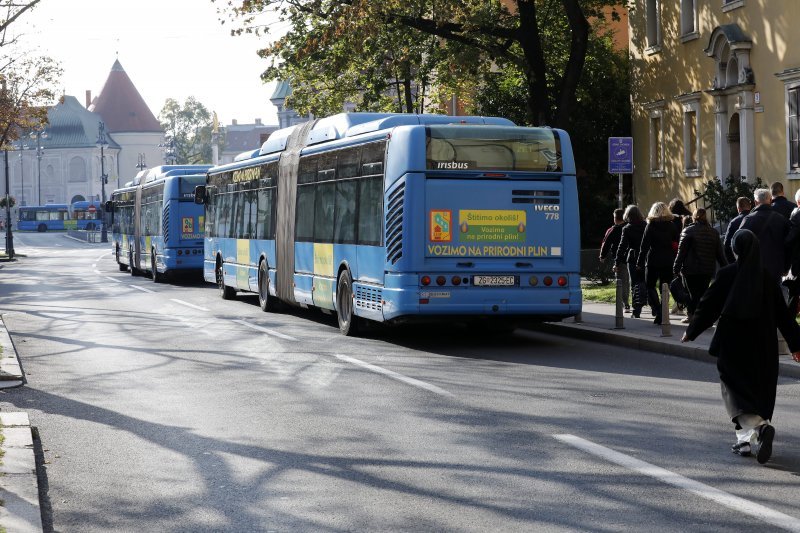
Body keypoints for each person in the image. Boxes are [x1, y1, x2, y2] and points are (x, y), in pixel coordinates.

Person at [681, 229, 800, 464]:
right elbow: (784, 316)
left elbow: (708, 305)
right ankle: (744, 441)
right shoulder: (767, 278)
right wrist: (796, 344)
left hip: (733, 343)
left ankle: (761, 429)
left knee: (734, 390)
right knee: (756, 390)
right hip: (763, 345)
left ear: (735, 250)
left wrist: (691, 331)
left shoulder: (726, 275)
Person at [673, 208, 727, 323]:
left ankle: (694, 317)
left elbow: (681, 252)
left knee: (692, 294)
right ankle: (702, 317)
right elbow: (720, 254)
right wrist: (726, 267)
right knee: (703, 293)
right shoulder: (713, 232)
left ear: (694, 217)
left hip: (690, 269)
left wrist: (676, 268)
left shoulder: (687, 231)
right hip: (707, 269)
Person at [637, 201, 679, 324]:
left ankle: (659, 311)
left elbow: (644, 247)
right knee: (664, 287)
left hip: (653, 260)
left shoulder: (650, 226)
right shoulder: (671, 225)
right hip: (668, 260)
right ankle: (663, 311)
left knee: (650, 286)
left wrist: (639, 262)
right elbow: (677, 243)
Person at [740, 188, 791, 283]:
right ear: (771, 201)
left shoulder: (748, 219)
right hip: (776, 268)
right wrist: (786, 267)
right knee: (773, 295)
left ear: (755, 202)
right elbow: (788, 245)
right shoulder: (781, 220)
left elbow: (738, 243)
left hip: (754, 268)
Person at [615, 205, 646, 317]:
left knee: (634, 284)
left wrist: (617, 262)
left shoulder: (627, 228)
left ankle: (636, 309)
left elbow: (622, 246)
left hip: (632, 257)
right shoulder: (646, 226)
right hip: (645, 257)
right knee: (645, 282)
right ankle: (653, 307)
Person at [600, 208, 629, 310]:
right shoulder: (629, 227)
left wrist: (602, 256)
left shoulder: (614, 230)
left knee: (620, 281)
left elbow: (606, 243)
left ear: (615, 218)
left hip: (619, 259)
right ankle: (628, 301)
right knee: (627, 281)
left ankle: (624, 302)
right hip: (631, 258)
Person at [723, 196, 751, 264]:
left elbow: (727, 245)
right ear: (750, 206)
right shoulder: (756, 218)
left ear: (738, 208)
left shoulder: (734, 222)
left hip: (740, 261)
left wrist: (733, 263)